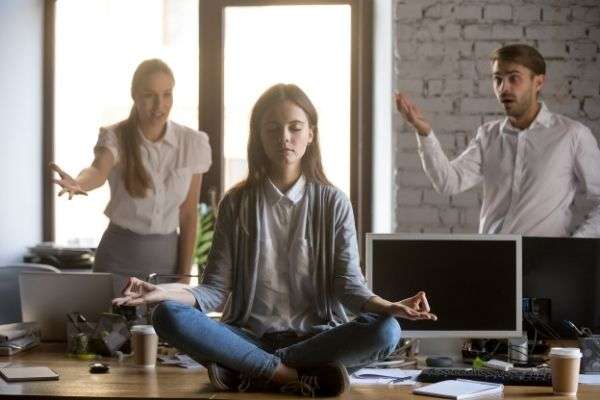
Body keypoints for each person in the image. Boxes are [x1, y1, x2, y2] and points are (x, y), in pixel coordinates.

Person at [113, 83, 436, 397]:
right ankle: (291, 376)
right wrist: (162, 292)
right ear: (259, 137)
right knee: (167, 315)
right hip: (248, 337)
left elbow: (349, 288)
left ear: (311, 134)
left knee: (387, 329)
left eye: (295, 127)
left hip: (316, 340)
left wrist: (390, 306)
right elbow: (212, 292)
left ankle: (251, 371)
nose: (285, 137)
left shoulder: (333, 202)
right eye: (273, 129)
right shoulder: (236, 202)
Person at [396, 44, 600, 237]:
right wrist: (424, 132)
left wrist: (576, 244)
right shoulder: (488, 135)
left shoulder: (572, 135)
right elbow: (449, 182)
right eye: (498, 79)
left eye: (514, 78)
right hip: (490, 259)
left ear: (538, 82)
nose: (504, 88)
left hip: (545, 263)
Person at [51, 59, 211, 291]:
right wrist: (78, 183)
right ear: (134, 95)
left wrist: (183, 279)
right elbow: (98, 169)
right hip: (117, 262)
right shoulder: (115, 136)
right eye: (149, 95)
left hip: (166, 266)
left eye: (167, 94)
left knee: (161, 328)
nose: (159, 104)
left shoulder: (192, 143)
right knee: (110, 327)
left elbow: (188, 214)